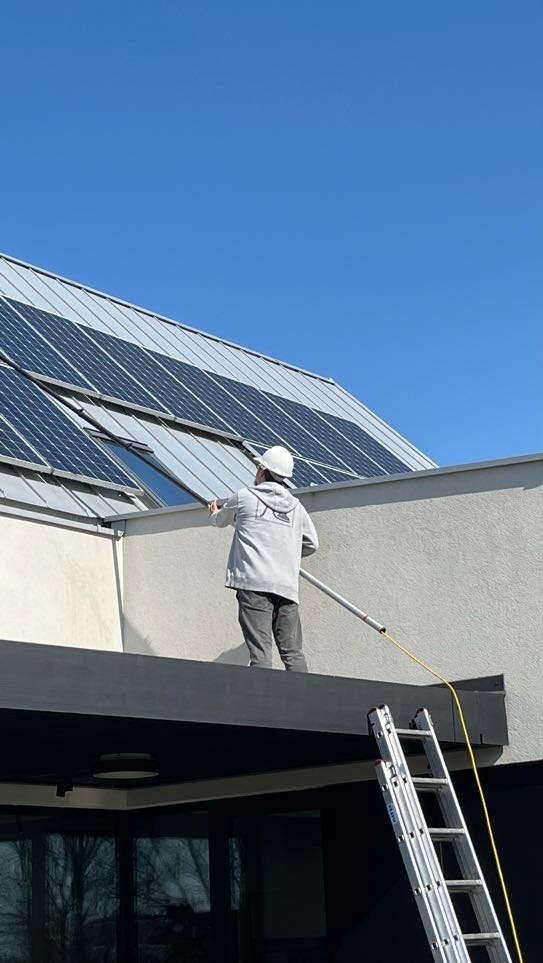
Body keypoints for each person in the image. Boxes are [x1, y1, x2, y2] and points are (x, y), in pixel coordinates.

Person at [208, 445, 319, 671]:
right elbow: (312, 544)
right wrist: (285, 553)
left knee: (261, 653)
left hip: (254, 586)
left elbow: (220, 520)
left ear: (263, 471)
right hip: (286, 588)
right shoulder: (296, 507)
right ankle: (303, 694)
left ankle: (263, 695)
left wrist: (213, 513)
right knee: (293, 653)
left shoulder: (244, 497)